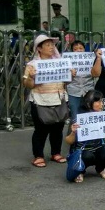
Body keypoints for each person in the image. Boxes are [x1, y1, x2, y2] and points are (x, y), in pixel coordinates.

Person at [23, 34, 73, 167]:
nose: (51, 47)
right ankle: (38, 156)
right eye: (48, 45)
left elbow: (66, 82)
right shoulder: (32, 65)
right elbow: (27, 84)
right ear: (39, 48)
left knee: (58, 128)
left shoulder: (60, 62)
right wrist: (31, 78)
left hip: (59, 99)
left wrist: (71, 75)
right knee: (41, 129)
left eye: (52, 45)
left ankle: (56, 153)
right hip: (40, 101)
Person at [65, 90, 105, 183]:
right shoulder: (78, 118)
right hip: (82, 150)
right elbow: (68, 141)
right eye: (98, 101)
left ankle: (101, 168)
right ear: (88, 103)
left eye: (102, 101)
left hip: (98, 148)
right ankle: (80, 170)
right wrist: (73, 132)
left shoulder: (104, 117)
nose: (102, 104)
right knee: (88, 156)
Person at [66, 40, 95, 122]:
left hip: (88, 90)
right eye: (75, 49)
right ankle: (74, 130)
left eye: (81, 48)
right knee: (75, 117)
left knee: (89, 116)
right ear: (72, 51)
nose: (78, 50)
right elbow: (64, 79)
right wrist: (70, 74)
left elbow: (96, 74)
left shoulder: (91, 59)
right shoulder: (68, 62)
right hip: (73, 92)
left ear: (84, 49)